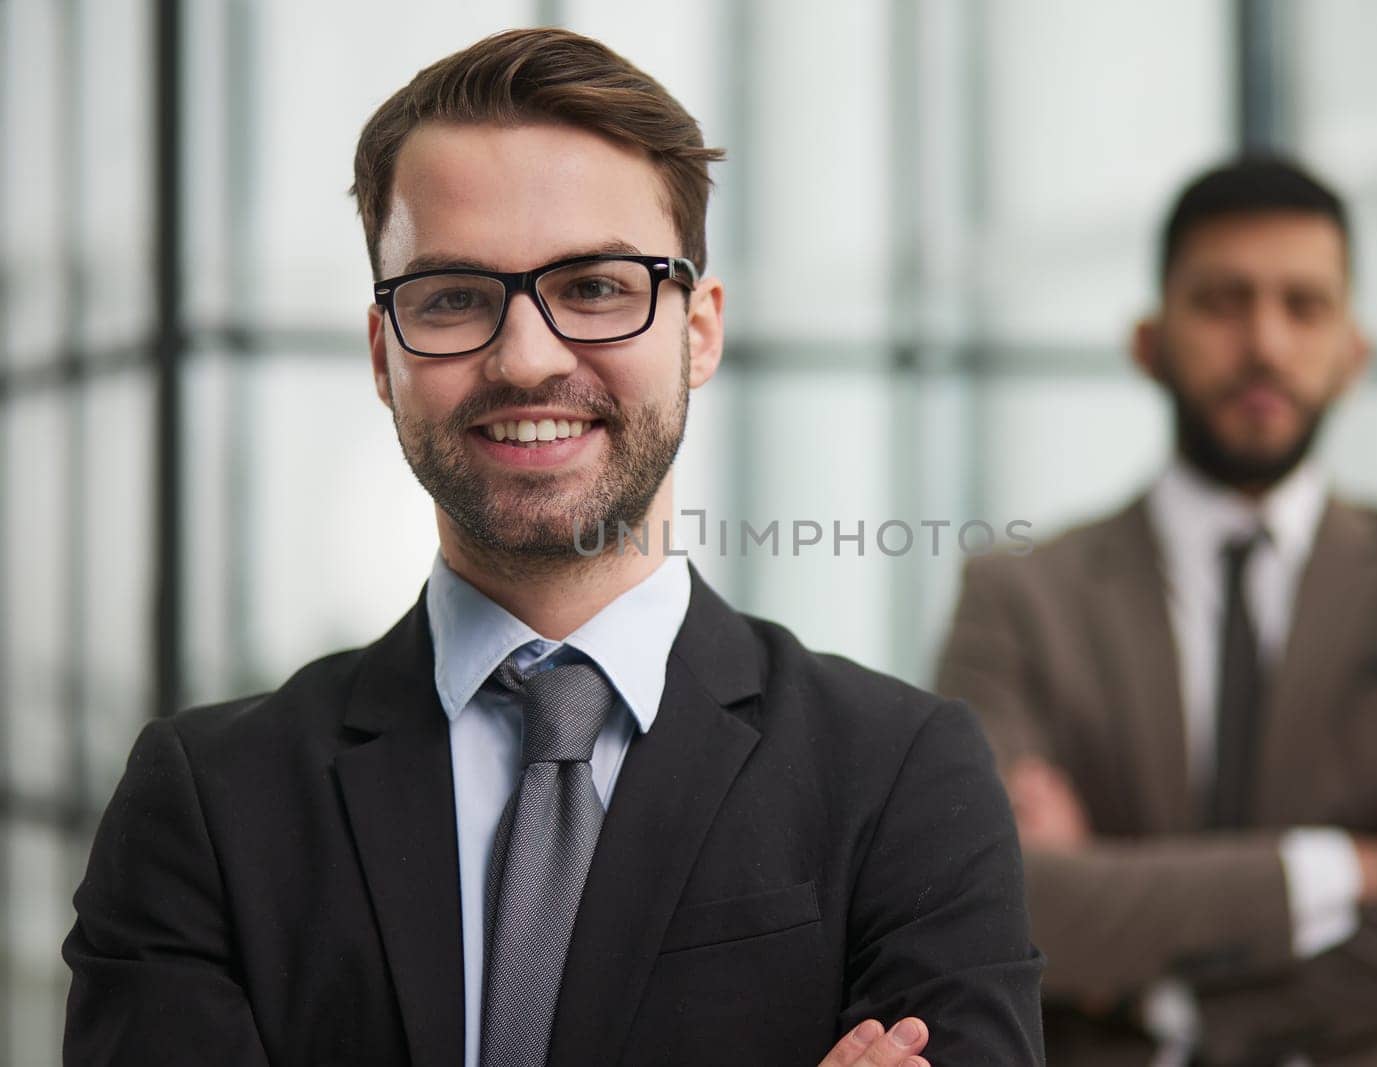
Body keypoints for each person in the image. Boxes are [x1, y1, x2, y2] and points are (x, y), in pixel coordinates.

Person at [63, 28, 1044, 1067]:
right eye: (450, 298)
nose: (527, 357)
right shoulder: (209, 800)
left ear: (698, 331)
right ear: (381, 353)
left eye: (595, 286)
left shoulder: (899, 773)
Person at [936, 157, 1377, 1065]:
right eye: (1223, 302)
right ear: (1149, 341)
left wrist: (1171, 998)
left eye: (1304, 306)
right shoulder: (1018, 596)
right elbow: (993, 900)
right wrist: (1338, 870)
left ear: (1354, 353)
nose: (1265, 342)